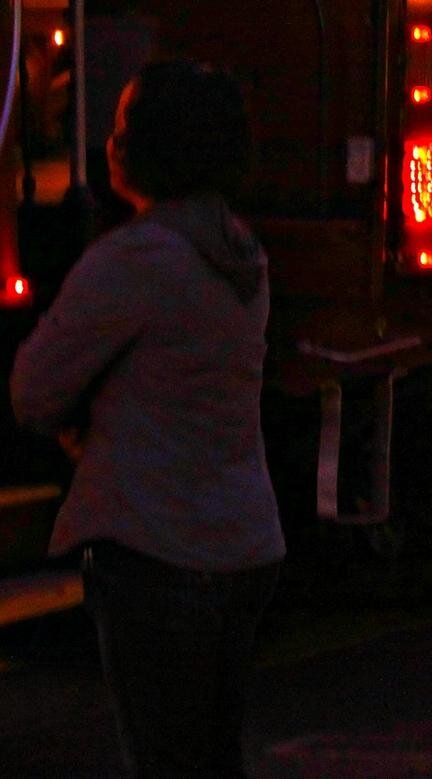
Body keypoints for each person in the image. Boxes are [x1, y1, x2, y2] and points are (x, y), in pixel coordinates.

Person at [10, 61, 284, 779]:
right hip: (242, 544)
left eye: (125, 125)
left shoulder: (137, 258)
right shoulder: (238, 250)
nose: (110, 141)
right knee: (213, 757)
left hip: (156, 550)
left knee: (165, 759)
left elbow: (34, 388)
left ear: (153, 147)